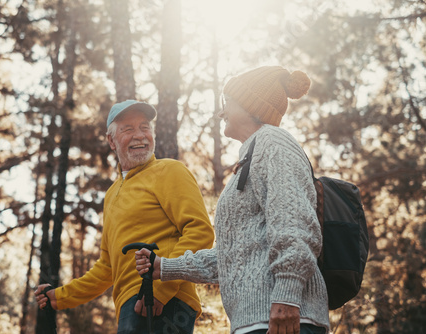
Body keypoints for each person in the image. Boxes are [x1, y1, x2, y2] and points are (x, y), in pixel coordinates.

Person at [135, 67, 330, 334]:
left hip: (286, 319)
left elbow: (294, 222)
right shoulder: (250, 156)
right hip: (256, 322)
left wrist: (286, 295)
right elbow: (233, 256)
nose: (221, 112)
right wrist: (166, 266)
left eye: (227, 103)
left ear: (251, 106)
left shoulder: (274, 143)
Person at [35, 100, 214, 334]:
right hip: (130, 305)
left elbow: (200, 231)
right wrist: (59, 297)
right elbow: (108, 266)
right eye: (128, 129)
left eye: (145, 127)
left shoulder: (169, 171)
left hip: (166, 301)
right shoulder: (111, 195)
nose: (139, 136)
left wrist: (160, 289)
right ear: (111, 140)